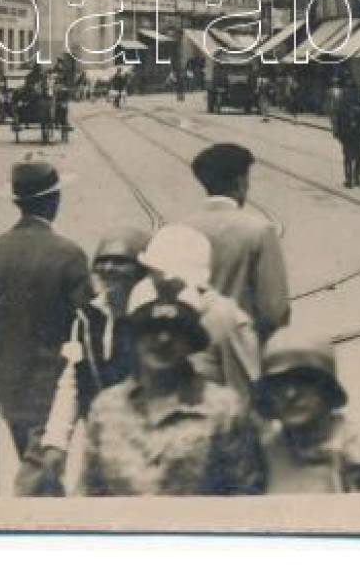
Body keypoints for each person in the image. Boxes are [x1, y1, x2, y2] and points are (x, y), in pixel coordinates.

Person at [76, 284, 266, 496]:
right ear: (134, 339)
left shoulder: (223, 408)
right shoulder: (105, 408)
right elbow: (89, 494)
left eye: (175, 331)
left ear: (191, 342)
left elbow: (245, 494)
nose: (163, 339)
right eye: (151, 329)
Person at [0, 161, 92, 458]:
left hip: (10, 385)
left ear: (18, 203)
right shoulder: (69, 255)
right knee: (46, 468)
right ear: (54, 201)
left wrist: (7, 340)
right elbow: (88, 326)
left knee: (31, 462)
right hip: (58, 386)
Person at [16, 226, 150, 496]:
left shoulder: (152, 320)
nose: (109, 268)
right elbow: (72, 382)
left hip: (147, 449)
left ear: (142, 270)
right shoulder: (87, 319)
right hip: (100, 449)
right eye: (102, 261)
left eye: (121, 262)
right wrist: (56, 444)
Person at [255, 326, 360, 493]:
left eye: (304, 380)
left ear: (326, 388)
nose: (291, 394)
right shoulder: (261, 457)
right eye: (279, 383)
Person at [133, 225, 261, 405]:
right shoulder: (152, 309)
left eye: (152, 270)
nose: (149, 277)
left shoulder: (223, 315)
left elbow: (247, 382)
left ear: (168, 276)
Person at [186, 143, 290, 341]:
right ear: (240, 182)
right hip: (241, 350)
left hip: (192, 352)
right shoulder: (260, 231)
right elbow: (275, 310)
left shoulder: (180, 228)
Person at [333, 83, 360, 188]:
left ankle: (349, 179)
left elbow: (337, 121)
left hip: (347, 136)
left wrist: (338, 134)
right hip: (359, 137)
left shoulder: (343, 106)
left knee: (348, 158)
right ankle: (357, 178)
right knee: (359, 157)